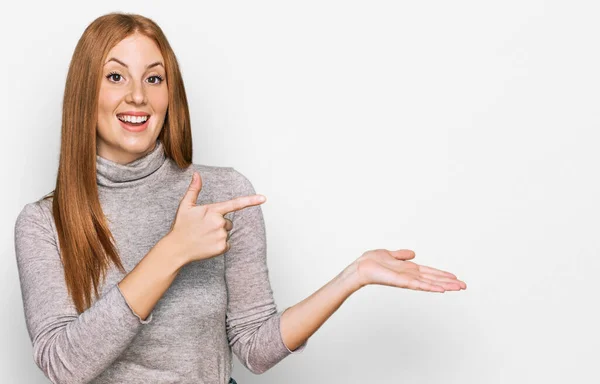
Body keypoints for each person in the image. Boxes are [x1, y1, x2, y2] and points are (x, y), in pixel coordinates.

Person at [13, 12, 467, 384]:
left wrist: (353, 276)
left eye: (155, 79)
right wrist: (172, 252)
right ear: (84, 92)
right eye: (116, 76)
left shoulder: (224, 194)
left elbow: (255, 347)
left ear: (171, 95)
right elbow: (64, 366)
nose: (138, 96)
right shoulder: (42, 223)